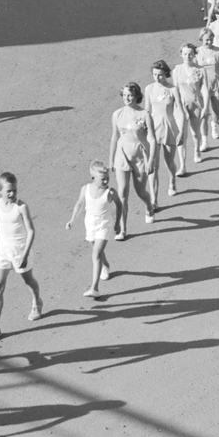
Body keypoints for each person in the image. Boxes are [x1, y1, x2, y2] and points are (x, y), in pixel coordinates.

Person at [0, 172, 43, 351]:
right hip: (2, 251)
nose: (12, 193)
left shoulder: (21, 207)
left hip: (19, 251)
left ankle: (37, 301)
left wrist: (25, 254)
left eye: (14, 190)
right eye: (9, 190)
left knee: (28, 280)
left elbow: (31, 231)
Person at [65, 160, 124, 297]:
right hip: (90, 224)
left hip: (104, 225)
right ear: (93, 178)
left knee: (96, 254)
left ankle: (94, 288)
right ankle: (105, 265)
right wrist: (72, 220)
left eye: (107, 179)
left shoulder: (110, 192)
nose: (106, 182)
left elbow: (119, 205)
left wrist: (117, 224)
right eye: (103, 179)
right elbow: (79, 204)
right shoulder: (85, 189)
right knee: (96, 250)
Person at [108, 83, 158, 235]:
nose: (127, 98)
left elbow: (152, 139)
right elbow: (115, 137)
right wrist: (111, 159)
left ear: (136, 96)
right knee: (122, 193)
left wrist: (151, 161)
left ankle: (149, 206)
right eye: (124, 95)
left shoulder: (145, 115)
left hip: (139, 157)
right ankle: (122, 229)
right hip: (122, 156)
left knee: (140, 191)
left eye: (129, 95)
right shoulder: (117, 114)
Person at [144, 62, 186, 203]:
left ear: (166, 74)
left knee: (169, 162)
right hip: (153, 129)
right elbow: (147, 111)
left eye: (160, 75)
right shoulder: (149, 89)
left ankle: (172, 180)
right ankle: (154, 199)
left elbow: (179, 110)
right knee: (153, 165)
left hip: (168, 127)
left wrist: (181, 131)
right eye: (155, 74)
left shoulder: (173, 89)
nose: (157, 77)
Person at [172, 44, 212, 163]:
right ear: (181, 55)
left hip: (196, 104)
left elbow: (205, 89)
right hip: (181, 105)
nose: (187, 56)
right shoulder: (176, 70)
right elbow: (175, 89)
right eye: (185, 54)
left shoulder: (200, 70)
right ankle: (182, 165)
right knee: (182, 134)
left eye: (190, 54)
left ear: (194, 55)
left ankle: (197, 151)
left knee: (195, 133)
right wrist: (178, 107)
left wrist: (205, 106)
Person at [195, 29, 219, 142]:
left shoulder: (218, 52)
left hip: (216, 85)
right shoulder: (196, 52)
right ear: (201, 39)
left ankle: (214, 124)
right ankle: (204, 140)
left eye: (211, 40)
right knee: (203, 114)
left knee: (217, 112)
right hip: (202, 86)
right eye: (206, 40)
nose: (209, 42)